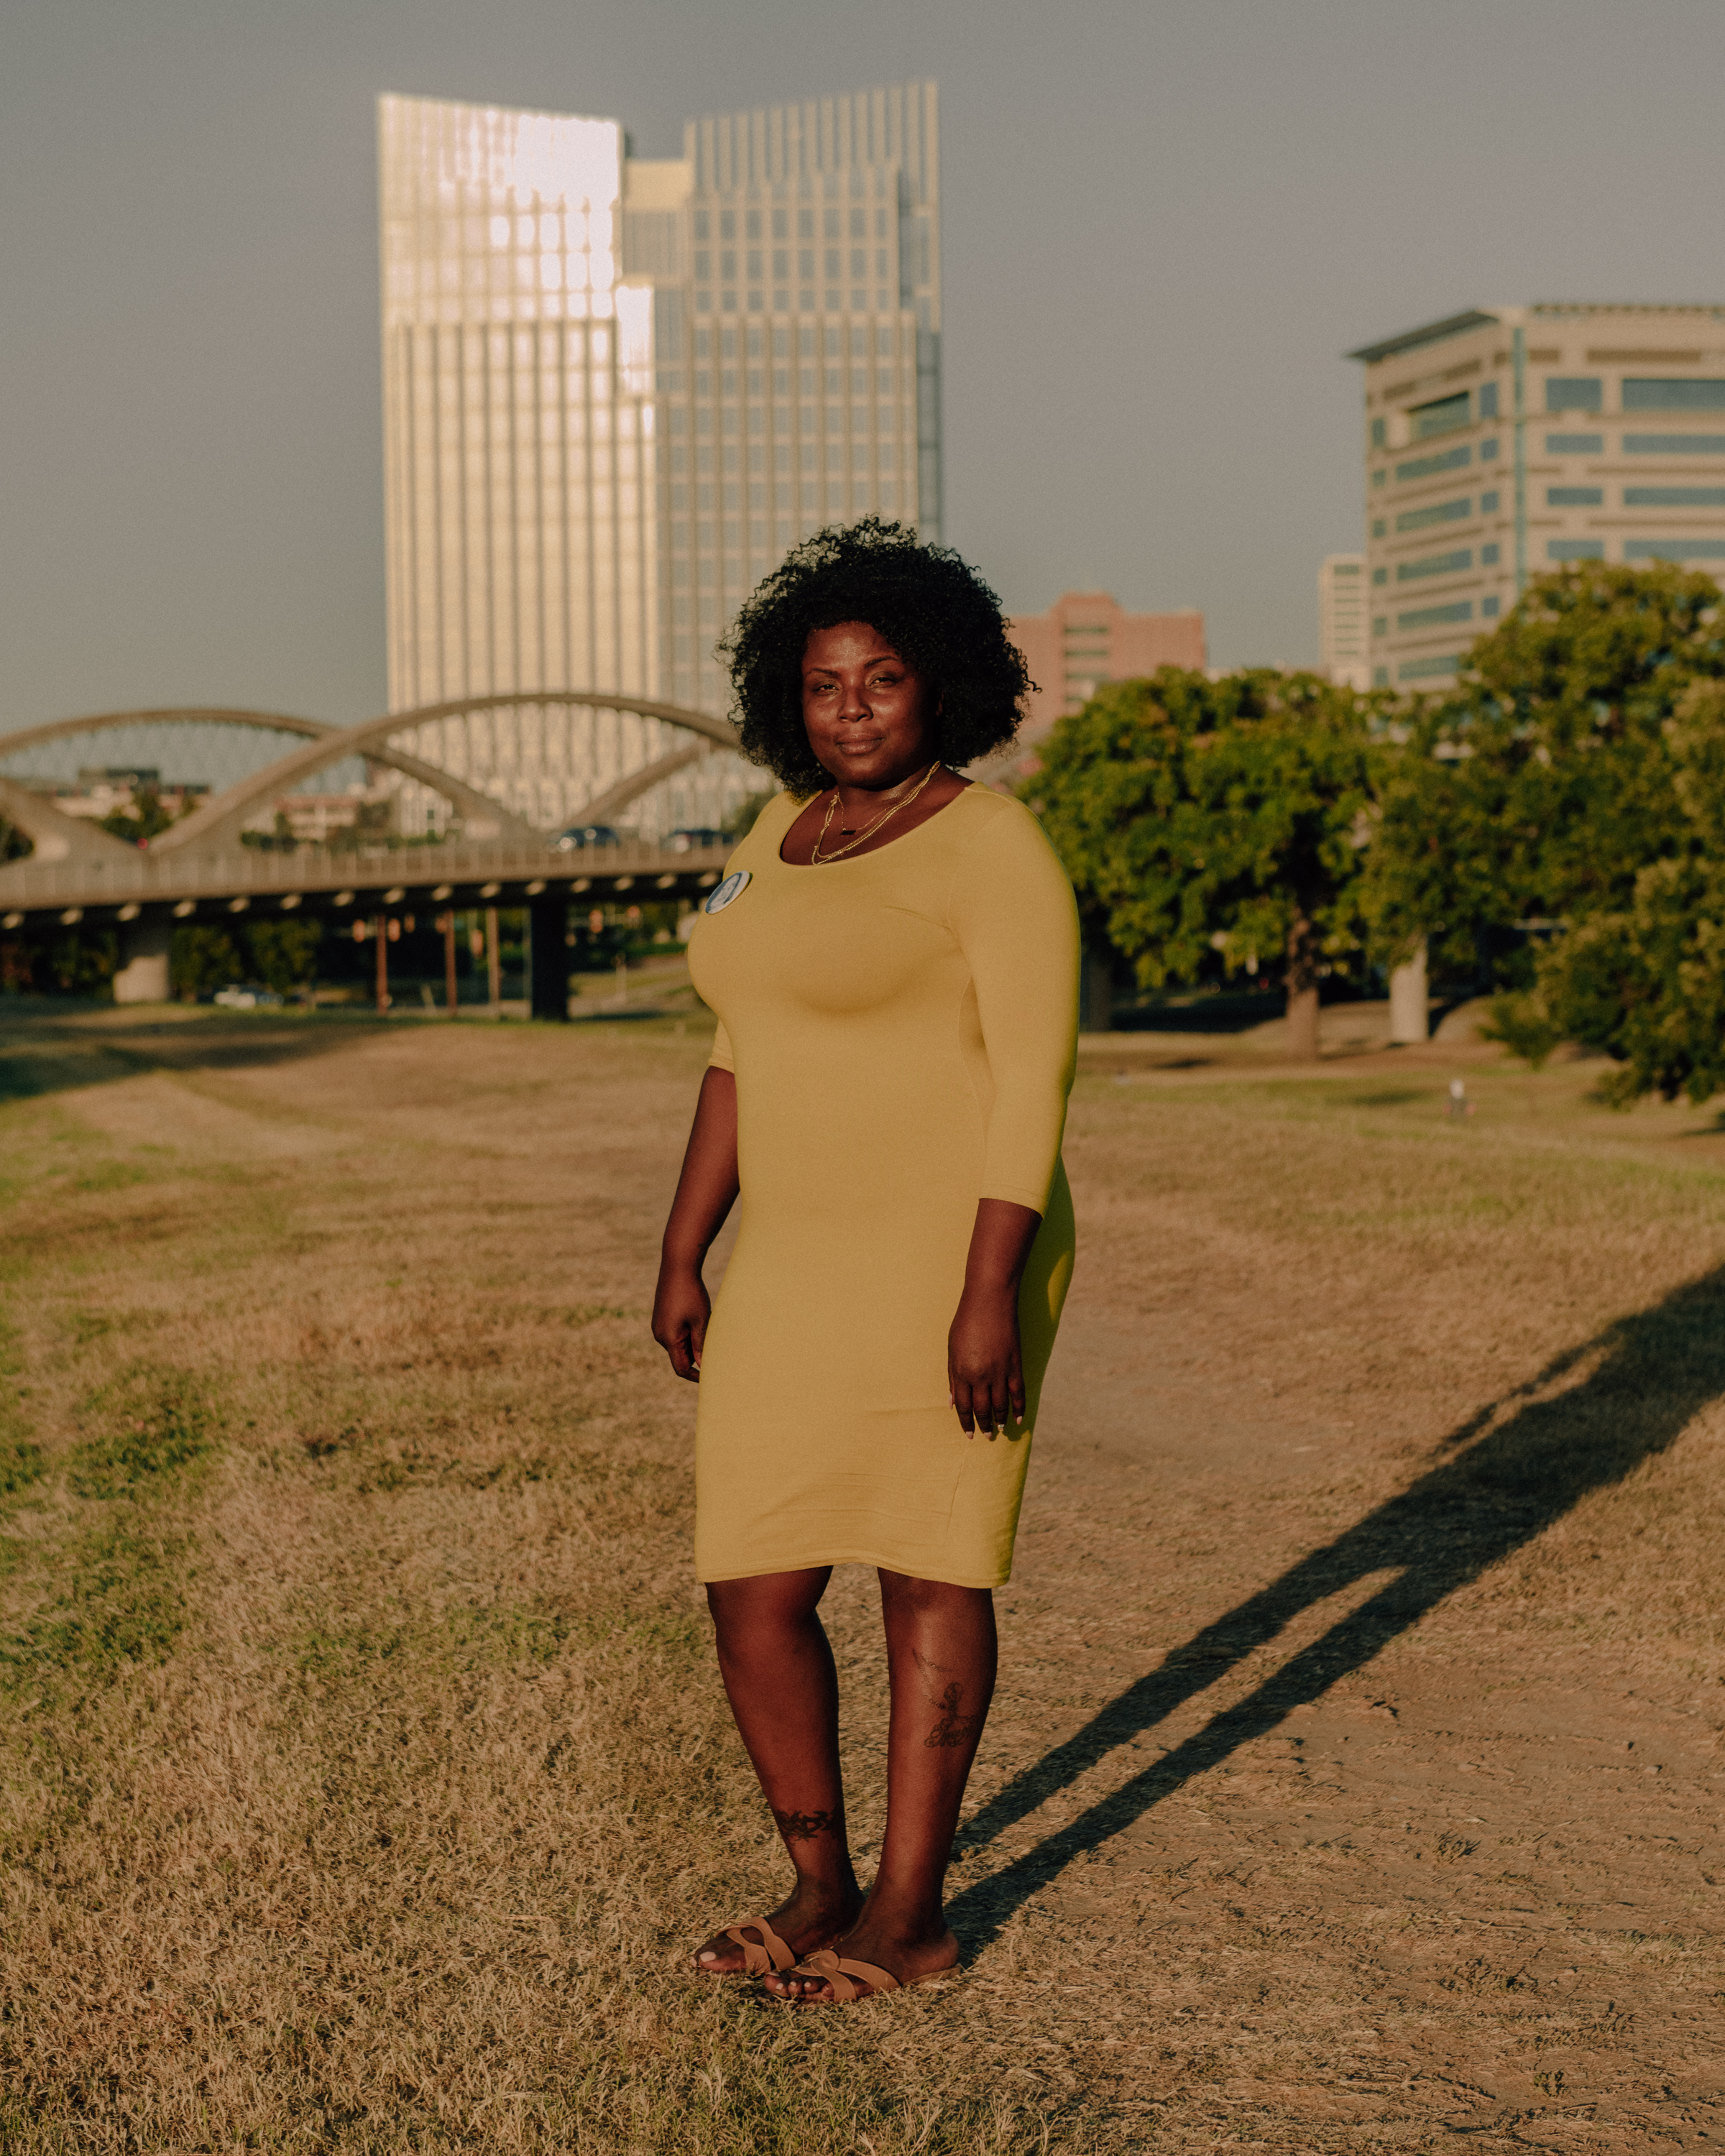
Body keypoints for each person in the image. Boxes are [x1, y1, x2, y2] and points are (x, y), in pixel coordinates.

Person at [651, 518, 1079, 2006]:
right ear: (790, 695)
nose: (851, 711)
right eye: (824, 686)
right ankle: (818, 1880)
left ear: (939, 686)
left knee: (927, 1565)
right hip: (797, 1254)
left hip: (950, 1251)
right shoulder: (774, 836)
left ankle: (911, 1914)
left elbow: (1034, 1083)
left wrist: (987, 1294)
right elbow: (736, 1053)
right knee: (752, 1582)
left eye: (881, 682)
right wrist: (686, 1247)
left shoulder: (993, 845)